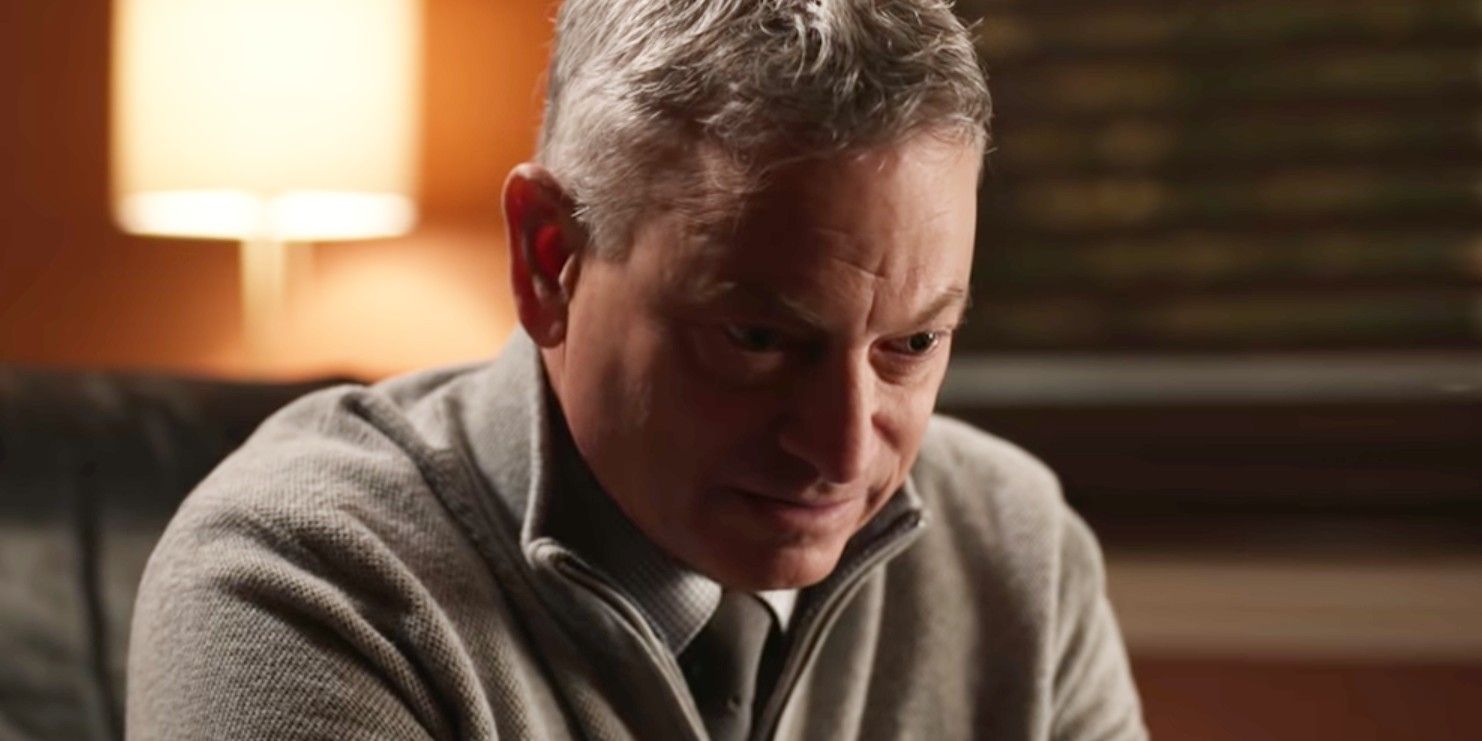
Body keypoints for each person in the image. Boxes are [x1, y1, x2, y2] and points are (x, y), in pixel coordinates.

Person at [127, 1, 1147, 739]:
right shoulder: (295, 586)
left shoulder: (1017, 552)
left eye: (912, 345)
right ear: (549, 261)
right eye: (757, 338)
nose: (842, 452)